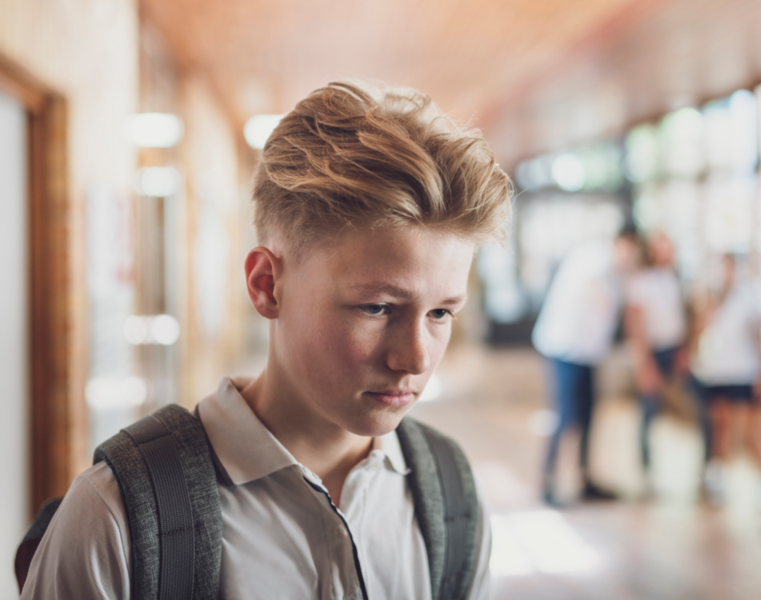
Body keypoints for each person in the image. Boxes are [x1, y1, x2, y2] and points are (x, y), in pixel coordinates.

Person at [21, 81, 511, 599]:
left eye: (440, 312)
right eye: (377, 307)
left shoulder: (451, 494)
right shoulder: (118, 518)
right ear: (266, 285)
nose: (414, 358)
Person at [532, 229, 640, 506]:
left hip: (587, 354)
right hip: (566, 350)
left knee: (590, 415)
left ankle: (585, 479)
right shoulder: (594, 263)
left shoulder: (614, 271)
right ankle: (548, 481)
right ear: (619, 243)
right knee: (565, 416)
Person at [691, 253, 761, 505]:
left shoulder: (749, 296)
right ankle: (717, 480)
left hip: (743, 370)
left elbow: (758, 335)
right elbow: (699, 332)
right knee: (718, 427)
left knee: (748, 432)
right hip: (715, 371)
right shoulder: (709, 299)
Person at [625, 232, 688, 491]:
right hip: (653, 352)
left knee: (698, 402)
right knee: (648, 412)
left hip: (674, 351)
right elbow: (635, 324)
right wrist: (645, 363)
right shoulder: (641, 282)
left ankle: (709, 471)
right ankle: (646, 473)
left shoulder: (675, 279)